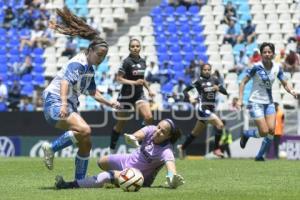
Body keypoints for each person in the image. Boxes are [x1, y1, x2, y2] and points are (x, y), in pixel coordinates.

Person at [41, 7, 120, 180]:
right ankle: (51, 148)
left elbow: (93, 93)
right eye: (99, 55)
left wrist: (111, 103)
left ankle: (80, 181)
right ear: (90, 50)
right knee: (85, 129)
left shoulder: (89, 69)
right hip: (54, 102)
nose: (101, 59)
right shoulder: (79, 63)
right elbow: (64, 82)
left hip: (67, 104)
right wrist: (62, 104)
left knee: (86, 142)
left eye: (104, 57)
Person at [54, 119, 185, 189]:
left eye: (163, 131)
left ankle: (69, 185)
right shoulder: (151, 130)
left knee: (106, 175)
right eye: (158, 127)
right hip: (127, 160)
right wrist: (133, 138)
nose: (158, 131)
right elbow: (137, 135)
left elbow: (171, 168)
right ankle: (115, 180)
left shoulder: (166, 151)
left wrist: (172, 177)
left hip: (137, 175)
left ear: (169, 136)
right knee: (101, 161)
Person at [237, 42, 298, 161]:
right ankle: (246, 134)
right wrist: (240, 100)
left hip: (269, 103)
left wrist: (292, 91)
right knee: (264, 131)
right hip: (255, 102)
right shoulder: (256, 67)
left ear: (273, 54)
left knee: (271, 131)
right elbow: (243, 82)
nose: (267, 54)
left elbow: (285, 83)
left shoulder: (277, 67)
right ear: (261, 54)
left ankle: (259, 156)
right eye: (264, 52)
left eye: (269, 52)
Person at [109, 39, 155, 153]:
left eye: (137, 46)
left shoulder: (143, 62)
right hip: (126, 96)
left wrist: (149, 90)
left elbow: (142, 79)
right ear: (129, 48)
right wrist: (134, 83)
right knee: (121, 123)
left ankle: (140, 141)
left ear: (140, 48)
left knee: (149, 117)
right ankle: (112, 149)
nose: (135, 48)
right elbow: (119, 79)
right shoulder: (126, 62)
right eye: (133, 46)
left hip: (139, 94)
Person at [177, 63, 229, 159]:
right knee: (220, 125)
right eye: (205, 69)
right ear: (201, 71)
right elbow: (185, 91)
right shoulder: (199, 82)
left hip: (211, 109)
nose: (207, 71)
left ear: (211, 70)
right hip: (203, 109)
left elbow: (225, 92)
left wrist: (219, 89)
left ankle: (182, 147)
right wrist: (190, 99)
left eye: (208, 69)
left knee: (195, 133)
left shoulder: (215, 80)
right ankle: (216, 149)